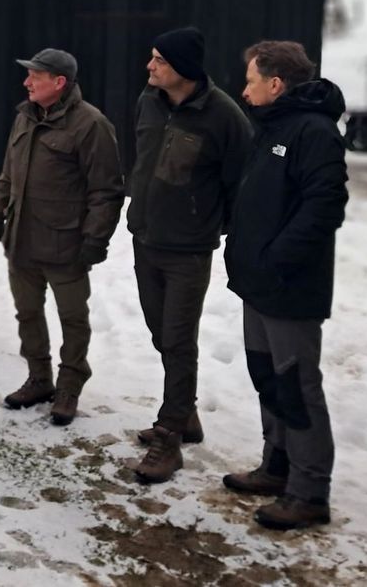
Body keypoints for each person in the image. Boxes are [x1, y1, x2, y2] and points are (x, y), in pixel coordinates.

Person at [223, 40, 348, 531]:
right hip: (259, 285)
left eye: (251, 80)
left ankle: (309, 491)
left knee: (297, 386)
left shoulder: (313, 132)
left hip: (289, 288)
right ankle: (277, 466)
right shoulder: (273, 125)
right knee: (266, 376)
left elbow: (325, 205)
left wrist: (278, 258)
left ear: (276, 83)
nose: (243, 89)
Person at [126, 27, 252, 483]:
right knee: (161, 333)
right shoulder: (149, 101)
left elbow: (240, 186)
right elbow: (142, 161)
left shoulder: (224, 117)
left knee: (178, 340)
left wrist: (217, 229)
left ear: (182, 68)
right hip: (145, 239)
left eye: (158, 60)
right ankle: (187, 415)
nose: (150, 66)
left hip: (189, 250)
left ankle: (169, 438)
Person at [0, 48, 123, 426]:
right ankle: (39, 378)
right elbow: (8, 172)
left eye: (35, 75)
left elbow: (106, 190)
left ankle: (69, 386)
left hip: (65, 244)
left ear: (59, 82)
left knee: (73, 319)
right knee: (27, 313)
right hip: (22, 241)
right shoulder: (25, 118)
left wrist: (95, 239)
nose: (27, 82)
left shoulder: (90, 124)